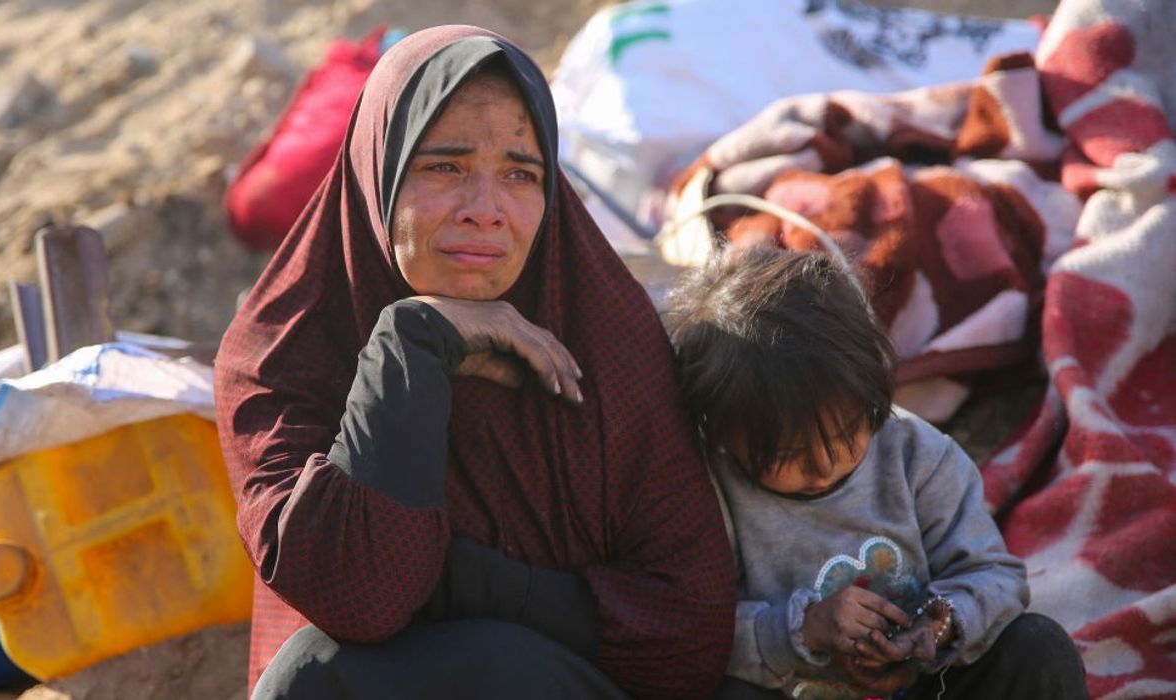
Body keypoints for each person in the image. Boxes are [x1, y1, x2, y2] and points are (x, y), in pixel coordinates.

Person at [212, 25, 737, 700]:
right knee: (315, 674)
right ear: (380, 172)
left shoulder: (606, 341)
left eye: (520, 174)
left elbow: (685, 637)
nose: (485, 212)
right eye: (445, 167)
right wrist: (409, 347)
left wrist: (450, 581)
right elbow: (358, 597)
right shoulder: (283, 352)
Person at [667, 247, 1088, 700]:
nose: (825, 466)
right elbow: (694, 633)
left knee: (1038, 648)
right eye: (789, 454)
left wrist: (942, 622)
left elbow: (995, 576)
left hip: (929, 688)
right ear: (726, 436)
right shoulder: (712, 493)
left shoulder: (918, 456)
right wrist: (804, 631)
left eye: (849, 432)